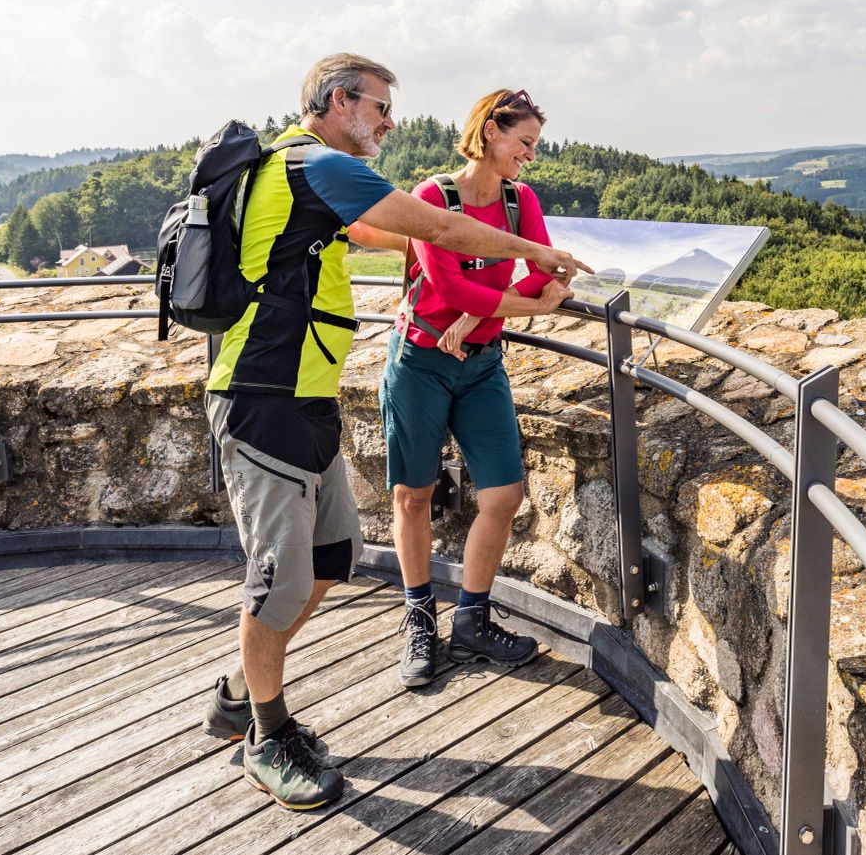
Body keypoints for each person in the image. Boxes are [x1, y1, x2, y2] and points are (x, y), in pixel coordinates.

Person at [197, 56, 588, 811]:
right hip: (263, 397)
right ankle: (266, 735)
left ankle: (239, 697)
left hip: (304, 397)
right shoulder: (317, 164)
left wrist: (486, 284)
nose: (389, 121)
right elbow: (434, 227)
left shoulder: (314, 179)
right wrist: (535, 257)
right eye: (379, 106)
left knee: (327, 560)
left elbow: (384, 234)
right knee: (278, 581)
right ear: (339, 102)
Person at [381, 88, 571, 688]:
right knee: (413, 496)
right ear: (491, 131)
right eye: (525, 142)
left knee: (505, 494)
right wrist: (513, 309)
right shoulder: (432, 200)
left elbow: (547, 270)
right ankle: (418, 618)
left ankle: (471, 620)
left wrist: (484, 318)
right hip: (420, 360)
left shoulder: (522, 202)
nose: (530, 156)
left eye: (535, 146)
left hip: (481, 362)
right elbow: (450, 291)